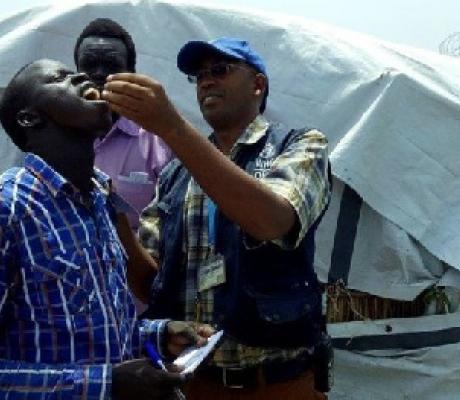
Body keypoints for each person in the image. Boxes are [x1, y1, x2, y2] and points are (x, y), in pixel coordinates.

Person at [102, 37, 331, 399]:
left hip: (278, 384)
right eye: (199, 76)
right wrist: (114, 216)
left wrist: (171, 127)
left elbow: (272, 220)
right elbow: (151, 285)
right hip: (196, 385)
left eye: (220, 70)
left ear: (258, 85)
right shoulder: (175, 175)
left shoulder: (300, 145)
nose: (206, 81)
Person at [0, 59, 211, 399]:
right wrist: (108, 383)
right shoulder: (9, 208)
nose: (83, 76)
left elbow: (95, 328)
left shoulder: (99, 198)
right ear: (30, 118)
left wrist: (159, 334)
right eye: (61, 78)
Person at [74, 18, 173, 232]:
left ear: (131, 73)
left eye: (111, 65)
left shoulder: (159, 142)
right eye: (89, 64)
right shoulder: (55, 136)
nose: (99, 73)